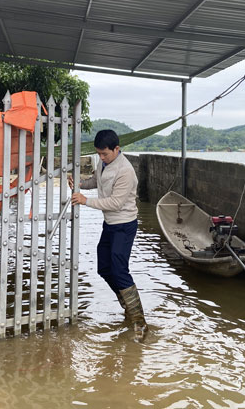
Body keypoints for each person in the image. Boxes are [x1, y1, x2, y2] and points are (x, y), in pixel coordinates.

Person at [69, 129, 148, 342]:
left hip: (124, 225)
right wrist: (79, 184)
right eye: (99, 154)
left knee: (119, 269)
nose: (101, 158)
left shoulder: (126, 171)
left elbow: (115, 203)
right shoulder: (103, 163)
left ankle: (139, 322)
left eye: (105, 154)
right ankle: (126, 305)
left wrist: (85, 201)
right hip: (110, 225)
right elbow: (97, 180)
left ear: (116, 149)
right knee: (104, 267)